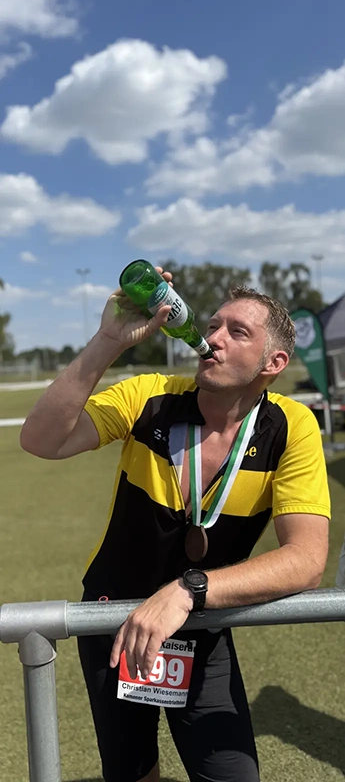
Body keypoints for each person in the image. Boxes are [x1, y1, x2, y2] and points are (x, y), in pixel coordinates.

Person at [20, 269, 331, 782]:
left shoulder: (291, 426)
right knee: (133, 774)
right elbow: (42, 440)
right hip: (111, 623)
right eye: (212, 326)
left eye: (237, 332)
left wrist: (188, 591)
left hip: (201, 625)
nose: (212, 339)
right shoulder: (149, 394)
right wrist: (107, 341)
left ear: (274, 363)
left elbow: (306, 560)